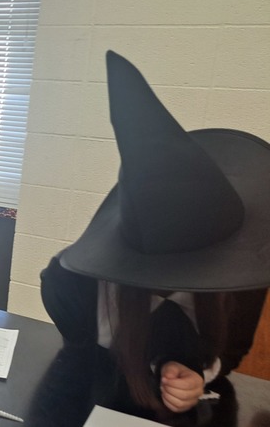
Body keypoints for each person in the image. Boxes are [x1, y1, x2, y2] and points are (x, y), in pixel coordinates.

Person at [40, 51, 269, 425]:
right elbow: (73, 367)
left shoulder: (244, 279)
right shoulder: (75, 287)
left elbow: (235, 348)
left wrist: (200, 374)